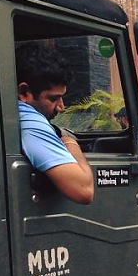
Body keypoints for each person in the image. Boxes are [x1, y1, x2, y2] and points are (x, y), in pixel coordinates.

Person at [16, 42, 94, 204]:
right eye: (53, 98)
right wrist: (69, 141)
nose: (61, 107)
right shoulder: (30, 120)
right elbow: (84, 190)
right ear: (24, 92)